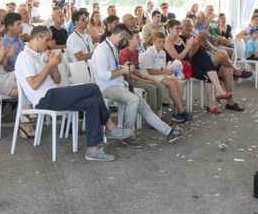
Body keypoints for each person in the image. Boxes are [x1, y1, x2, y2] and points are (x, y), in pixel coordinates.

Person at [15, 26, 132, 161]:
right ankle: (110, 127)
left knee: (92, 103)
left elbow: (57, 80)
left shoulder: (40, 55)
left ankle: (93, 150)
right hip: (44, 99)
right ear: (37, 38)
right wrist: (48, 66)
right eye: (46, 40)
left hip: (53, 93)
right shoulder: (25, 56)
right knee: (93, 88)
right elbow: (34, 84)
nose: (49, 44)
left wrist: (54, 66)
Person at [141, 31, 189, 122]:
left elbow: (162, 68)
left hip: (159, 74)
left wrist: (169, 72)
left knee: (178, 83)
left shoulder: (163, 53)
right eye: (159, 41)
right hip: (147, 75)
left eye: (163, 42)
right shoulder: (149, 53)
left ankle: (176, 112)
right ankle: (181, 110)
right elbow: (150, 71)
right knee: (171, 83)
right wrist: (166, 72)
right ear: (153, 41)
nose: (161, 44)